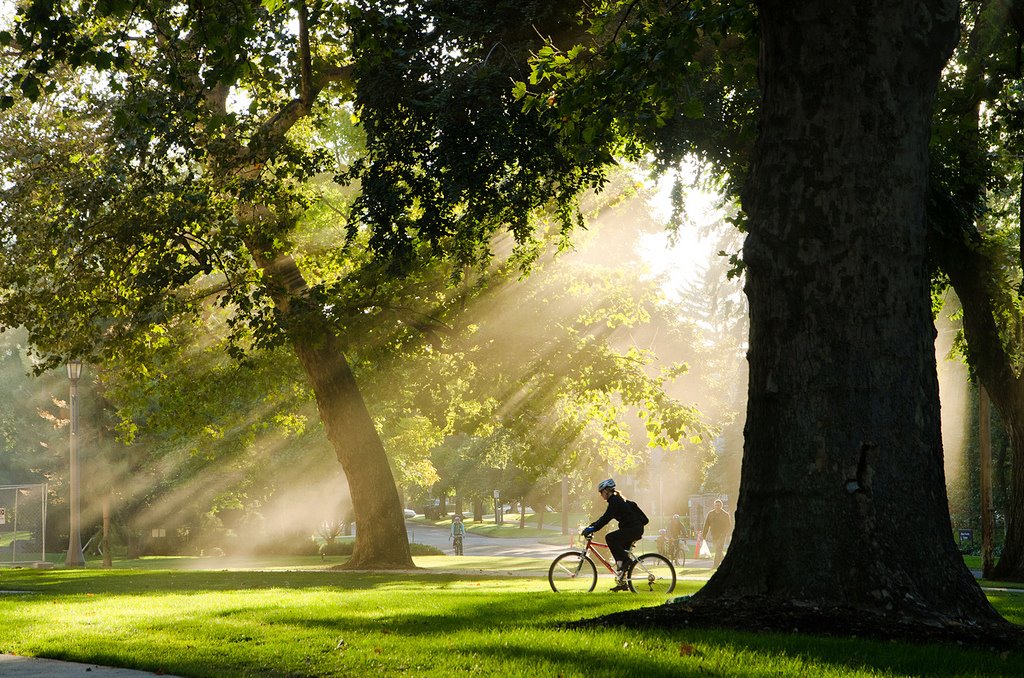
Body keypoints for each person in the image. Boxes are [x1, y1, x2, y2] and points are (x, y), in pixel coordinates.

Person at [581, 478, 649, 591]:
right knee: (621, 556)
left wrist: (594, 528)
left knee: (610, 538)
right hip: (633, 529)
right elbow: (604, 517)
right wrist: (592, 526)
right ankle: (622, 582)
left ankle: (627, 562)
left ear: (607, 491)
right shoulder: (616, 500)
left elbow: (606, 518)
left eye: (601, 492)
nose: (601, 495)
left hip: (633, 529)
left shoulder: (615, 501)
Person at [700, 499, 732, 568]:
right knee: (718, 550)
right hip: (714, 535)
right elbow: (706, 525)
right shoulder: (710, 514)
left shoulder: (725, 515)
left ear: (721, 506)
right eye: (716, 505)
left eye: (718, 505)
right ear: (714, 506)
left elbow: (728, 525)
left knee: (718, 550)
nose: (717, 507)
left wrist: (724, 533)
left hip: (722, 536)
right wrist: (704, 535)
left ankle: (715, 566)